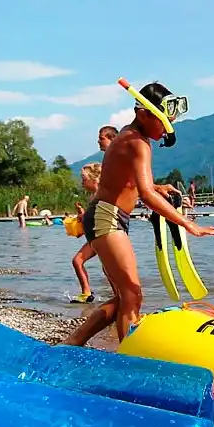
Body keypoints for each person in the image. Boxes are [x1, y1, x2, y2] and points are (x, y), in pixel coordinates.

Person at [62, 82, 214, 345]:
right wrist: (188, 224)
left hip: (107, 216)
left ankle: (71, 344)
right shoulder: (137, 142)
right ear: (143, 114)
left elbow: (125, 181)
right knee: (132, 295)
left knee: (124, 297)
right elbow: (145, 195)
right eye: (164, 122)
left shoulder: (131, 136)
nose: (167, 128)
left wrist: (158, 186)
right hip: (106, 217)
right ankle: (127, 357)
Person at [70, 126, 118, 303]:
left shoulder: (102, 194)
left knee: (94, 264)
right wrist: (81, 215)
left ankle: (112, 295)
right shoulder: (93, 196)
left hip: (103, 235)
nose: (82, 184)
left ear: (94, 179)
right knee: (105, 267)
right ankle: (97, 293)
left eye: (84, 180)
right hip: (95, 237)